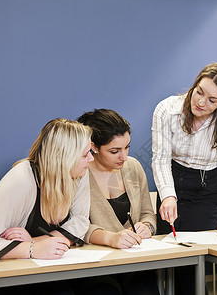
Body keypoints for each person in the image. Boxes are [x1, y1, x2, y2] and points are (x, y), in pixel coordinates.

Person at [0, 118, 93, 294]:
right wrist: (32, 249)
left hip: (46, 272)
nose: (91, 159)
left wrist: (36, 241)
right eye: (85, 155)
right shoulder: (21, 179)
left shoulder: (79, 173)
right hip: (8, 277)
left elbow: (80, 221)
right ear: (64, 157)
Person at [152, 62, 217, 294]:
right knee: (169, 258)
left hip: (209, 188)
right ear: (194, 85)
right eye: (199, 92)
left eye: (212, 100)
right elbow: (160, 159)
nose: (201, 102)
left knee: (197, 260)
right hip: (173, 184)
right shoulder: (167, 110)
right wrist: (167, 195)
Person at [76, 109, 159, 295]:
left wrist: (148, 227)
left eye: (127, 147)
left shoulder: (133, 167)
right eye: (114, 151)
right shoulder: (78, 173)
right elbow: (73, 225)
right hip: (94, 264)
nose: (123, 156)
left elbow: (147, 213)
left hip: (134, 261)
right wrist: (111, 238)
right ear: (93, 147)